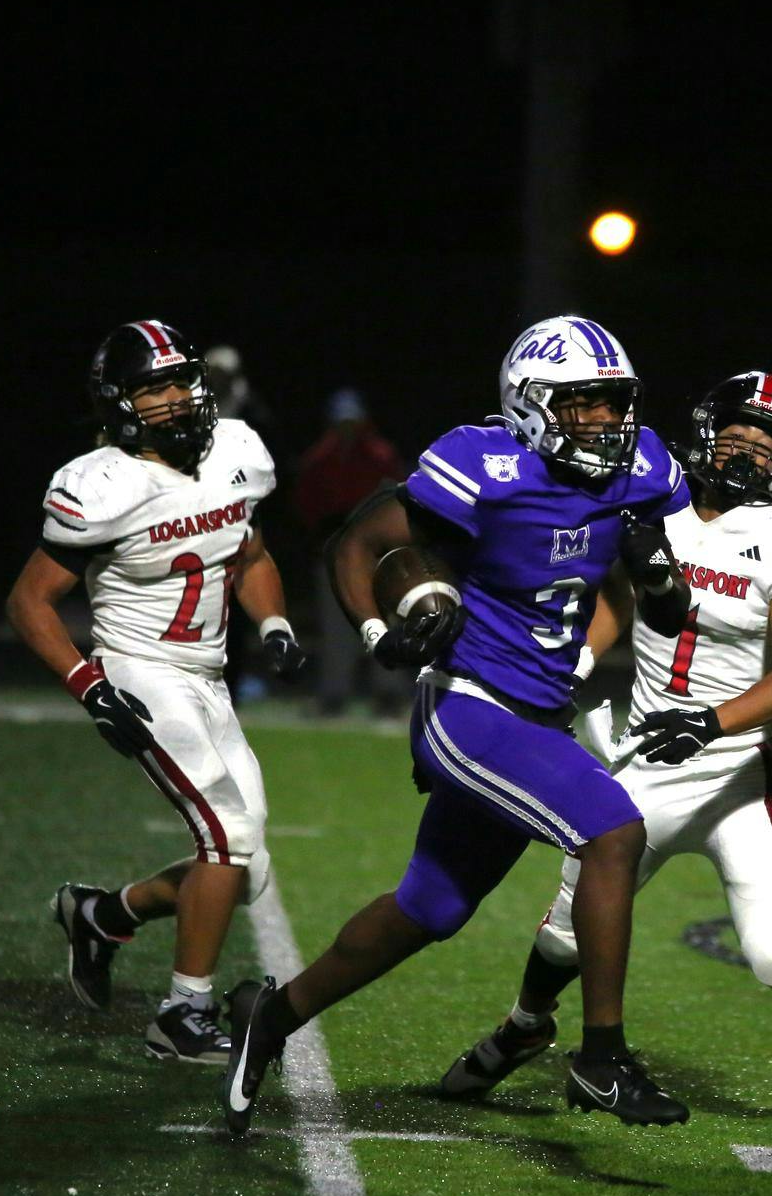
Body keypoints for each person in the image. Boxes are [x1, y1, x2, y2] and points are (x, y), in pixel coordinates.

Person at [220, 315, 696, 1133]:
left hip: (543, 712)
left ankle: (270, 1015)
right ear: (531, 405)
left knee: (430, 908)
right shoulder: (484, 463)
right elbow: (357, 543)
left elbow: (653, 588)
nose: (605, 423)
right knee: (613, 830)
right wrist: (379, 634)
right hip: (468, 706)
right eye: (582, 405)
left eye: (612, 404)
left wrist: (649, 597)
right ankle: (602, 1057)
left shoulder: (641, 469)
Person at [440, 371, 772, 1106]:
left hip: (734, 769)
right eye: (735, 434)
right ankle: (523, 1026)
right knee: (565, 933)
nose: (747, 452)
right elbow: (611, 590)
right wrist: (574, 661)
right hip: (644, 757)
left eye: (766, 444)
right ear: (703, 433)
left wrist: (709, 721)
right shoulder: (653, 502)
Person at [7, 319, 307, 1063]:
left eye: (180, 381)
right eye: (154, 387)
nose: (175, 398)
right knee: (226, 838)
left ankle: (104, 913)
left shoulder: (237, 452)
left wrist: (272, 621)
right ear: (119, 401)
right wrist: (89, 684)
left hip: (207, 676)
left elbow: (254, 552)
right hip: (142, 671)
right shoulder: (102, 484)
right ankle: (181, 1013)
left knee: (248, 868)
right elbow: (29, 601)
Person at [294, 388, 408, 715]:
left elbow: (396, 500)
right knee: (336, 627)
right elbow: (305, 504)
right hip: (334, 555)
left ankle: (388, 692)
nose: (347, 428)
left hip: (377, 554)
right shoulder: (319, 458)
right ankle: (334, 692)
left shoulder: (381, 455)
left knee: (385, 620)